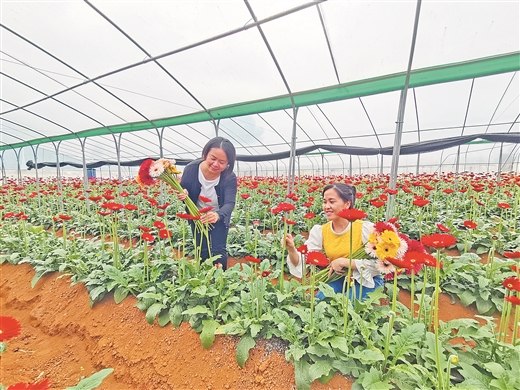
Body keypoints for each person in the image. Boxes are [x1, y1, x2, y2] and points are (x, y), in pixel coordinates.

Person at [282, 183, 384, 300]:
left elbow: (381, 264)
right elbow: (302, 261)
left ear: (347, 204)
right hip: (338, 277)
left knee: (346, 306)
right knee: (321, 302)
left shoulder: (365, 229)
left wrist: (344, 262)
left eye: (332, 201)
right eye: (325, 202)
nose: (326, 206)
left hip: (367, 279)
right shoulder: (321, 231)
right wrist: (291, 249)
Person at [175, 137, 237, 270]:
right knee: (201, 247)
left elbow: (229, 203)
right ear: (205, 154)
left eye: (221, 162)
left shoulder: (229, 177)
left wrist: (218, 215)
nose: (215, 164)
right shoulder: (191, 169)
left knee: (218, 250)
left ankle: (221, 281)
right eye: (212, 158)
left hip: (218, 216)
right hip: (197, 215)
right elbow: (183, 188)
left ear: (228, 163)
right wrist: (183, 194)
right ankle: (203, 279)